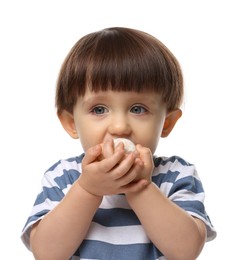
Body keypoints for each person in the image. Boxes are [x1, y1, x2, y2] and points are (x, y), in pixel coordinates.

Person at [21, 27, 216, 260]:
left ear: (167, 123)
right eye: (99, 109)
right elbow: (46, 253)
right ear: (71, 123)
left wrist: (141, 187)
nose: (120, 127)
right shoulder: (63, 177)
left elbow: (186, 251)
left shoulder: (176, 175)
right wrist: (87, 190)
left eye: (137, 109)